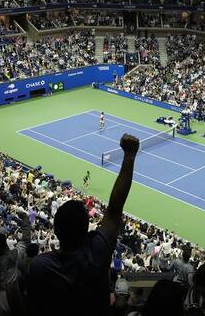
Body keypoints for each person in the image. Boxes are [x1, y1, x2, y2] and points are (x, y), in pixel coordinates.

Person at [28, 134, 140, 316]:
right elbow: (114, 209)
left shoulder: (40, 265)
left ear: (56, 230)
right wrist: (129, 156)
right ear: (87, 228)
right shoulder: (98, 252)